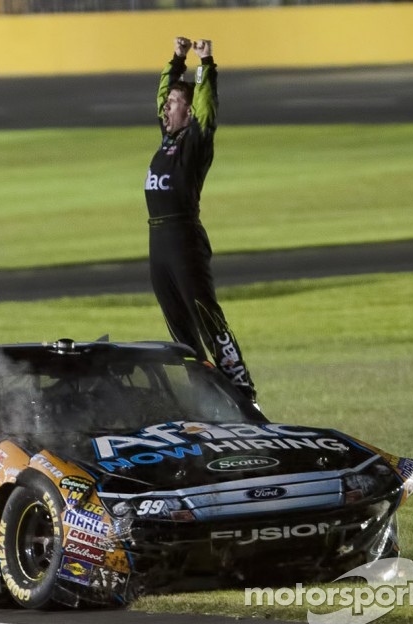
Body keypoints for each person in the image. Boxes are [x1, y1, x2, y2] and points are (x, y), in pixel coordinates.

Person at [144, 36, 257, 403]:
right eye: (168, 102)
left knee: (207, 317)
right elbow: (163, 95)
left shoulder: (196, 139)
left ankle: (241, 389)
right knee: (179, 329)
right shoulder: (167, 138)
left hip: (183, 238)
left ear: (190, 113)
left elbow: (207, 106)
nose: (166, 108)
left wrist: (206, 64)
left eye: (175, 104)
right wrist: (176, 60)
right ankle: (203, 396)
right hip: (157, 243)